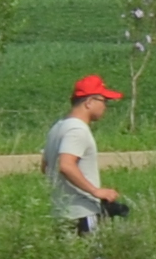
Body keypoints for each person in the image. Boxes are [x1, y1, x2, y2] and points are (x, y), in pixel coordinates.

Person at [46, 74, 131, 238]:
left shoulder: (57, 128)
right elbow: (66, 165)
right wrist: (96, 191)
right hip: (82, 212)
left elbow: (46, 166)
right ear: (89, 102)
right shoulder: (77, 130)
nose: (105, 106)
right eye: (103, 101)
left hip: (61, 211)